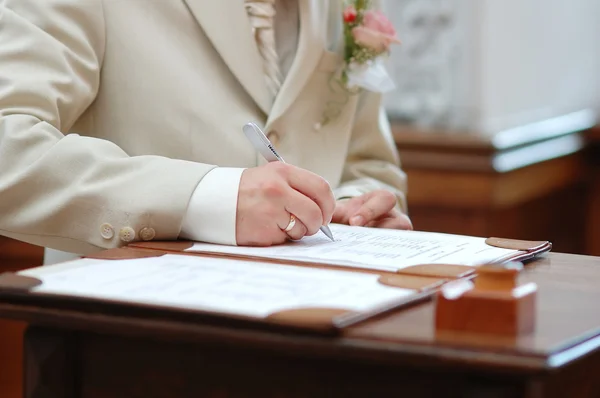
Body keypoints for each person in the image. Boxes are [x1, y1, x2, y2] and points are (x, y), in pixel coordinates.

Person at [0, 0, 412, 258]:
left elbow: (369, 164)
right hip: (124, 343)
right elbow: (8, 147)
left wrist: (353, 209)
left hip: (324, 336)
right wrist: (210, 199)